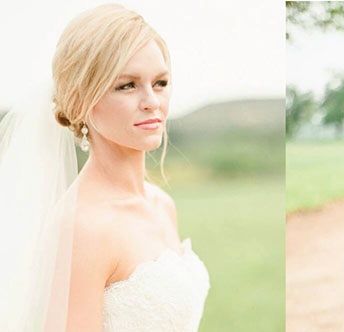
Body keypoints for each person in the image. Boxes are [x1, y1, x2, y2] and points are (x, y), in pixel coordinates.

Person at [0, 5, 209, 331]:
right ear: (82, 101)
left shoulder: (162, 205)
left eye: (160, 82)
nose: (151, 101)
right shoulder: (82, 227)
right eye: (127, 85)